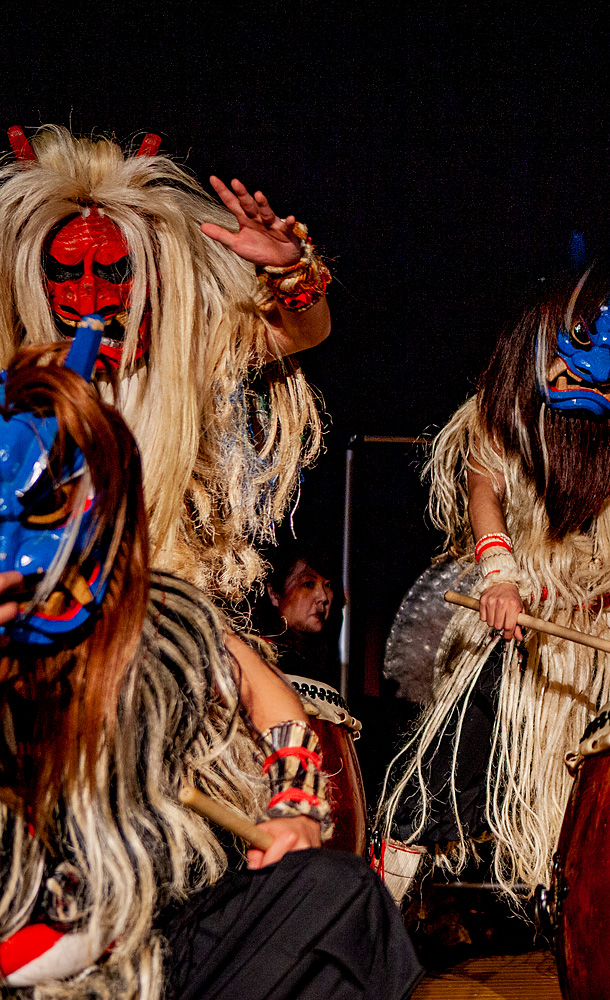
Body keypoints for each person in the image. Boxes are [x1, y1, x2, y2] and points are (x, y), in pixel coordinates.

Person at [0, 326, 418, 998]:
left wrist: (295, 805)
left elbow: (267, 694)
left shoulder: (147, 611)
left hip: (143, 940)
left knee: (342, 895)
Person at [375, 261, 610, 903]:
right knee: (441, 772)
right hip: (522, 627)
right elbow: (484, 488)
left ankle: (600, 916)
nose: (593, 375)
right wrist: (501, 575)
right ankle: (376, 915)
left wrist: (608, 596)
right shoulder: (505, 414)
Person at [0, 125, 327, 602]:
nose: (92, 298)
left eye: (115, 270)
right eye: (67, 272)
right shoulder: (16, 375)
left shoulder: (196, 348)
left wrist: (290, 270)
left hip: (158, 597)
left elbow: (301, 332)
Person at [261, 544, 339, 688]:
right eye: (308, 584)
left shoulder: (325, 661)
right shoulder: (260, 657)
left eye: (328, 585)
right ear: (274, 594)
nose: (323, 597)